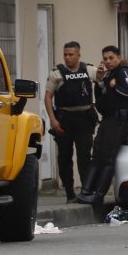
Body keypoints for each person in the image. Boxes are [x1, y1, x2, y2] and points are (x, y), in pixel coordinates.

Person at [75, 45, 128, 205]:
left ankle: (98, 195)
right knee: (97, 154)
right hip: (108, 118)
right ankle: (86, 191)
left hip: (119, 119)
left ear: (118, 57)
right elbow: (100, 97)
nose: (108, 61)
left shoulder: (123, 72)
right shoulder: (108, 74)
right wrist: (100, 81)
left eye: (111, 58)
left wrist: (114, 86)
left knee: (108, 157)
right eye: (105, 59)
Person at [44, 41, 97, 203]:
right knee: (65, 157)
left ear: (78, 55)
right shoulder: (57, 74)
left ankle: (86, 192)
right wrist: (52, 119)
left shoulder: (89, 70)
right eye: (65, 54)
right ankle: (70, 194)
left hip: (85, 118)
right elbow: (48, 97)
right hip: (65, 119)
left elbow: (103, 82)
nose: (67, 58)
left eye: (71, 54)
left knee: (84, 157)